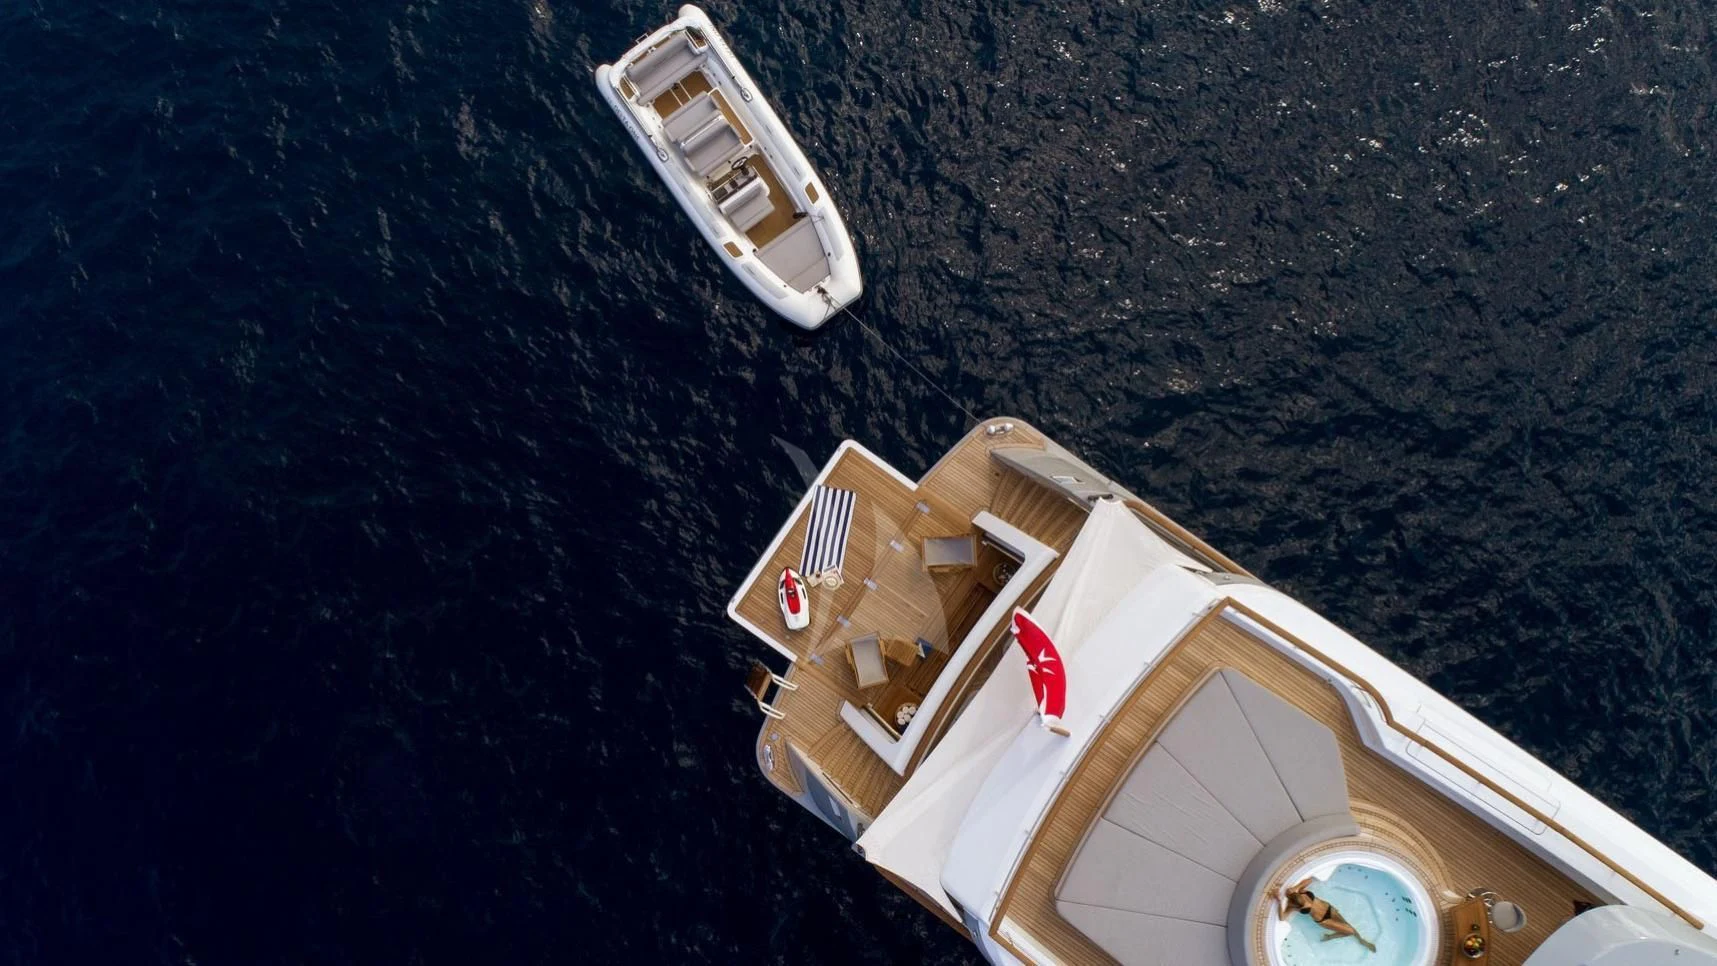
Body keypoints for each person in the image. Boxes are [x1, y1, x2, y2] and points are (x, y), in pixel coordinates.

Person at [1276, 877, 1377, 953]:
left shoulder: (1301, 893)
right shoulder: (1292, 906)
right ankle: (1332, 937)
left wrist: (1296, 887)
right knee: (1350, 931)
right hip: (1324, 920)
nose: (1307, 903)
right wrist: (1279, 902)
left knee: (1349, 926)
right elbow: (1282, 917)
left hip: (1329, 909)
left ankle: (1359, 940)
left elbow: (1310, 880)